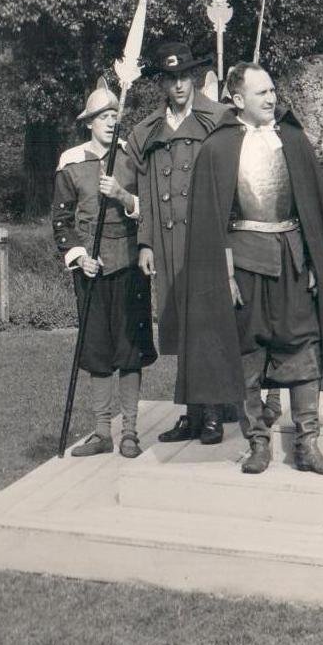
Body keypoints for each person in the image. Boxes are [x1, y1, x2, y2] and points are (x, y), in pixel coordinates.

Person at [163, 62, 323, 476]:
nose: (272, 99)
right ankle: (258, 443)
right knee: (249, 353)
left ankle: (308, 444)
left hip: (291, 260)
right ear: (238, 100)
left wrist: (311, 262)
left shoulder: (292, 139)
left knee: (305, 346)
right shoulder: (217, 148)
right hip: (245, 263)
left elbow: (311, 209)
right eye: (261, 93)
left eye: (273, 90)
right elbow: (211, 221)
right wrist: (226, 275)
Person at [126, 41, 230, 445]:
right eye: (171, 79)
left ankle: (215, 413)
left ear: (194, 78)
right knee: (182, 324)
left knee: (208, 324)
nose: (179, 85)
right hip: (168, 245)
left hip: (203, 241)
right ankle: (192, 411)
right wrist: (145, 243)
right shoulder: (149, 131)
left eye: (184, 77)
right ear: (163, 84)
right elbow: (145, 191)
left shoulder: (218, 119)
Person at [52, 81, 156, 458]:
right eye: (103, 117)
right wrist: (80, 257)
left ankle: (129, 431)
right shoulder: (71, 162)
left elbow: (152, 211)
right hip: (92, 269)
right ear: (89, 123)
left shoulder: (132, 156)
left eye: (115, 116)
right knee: (97, 349)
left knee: (130, 349)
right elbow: (61, 220)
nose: (111, 122)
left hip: (130, 264)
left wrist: (124, 196)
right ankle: (101, 431)